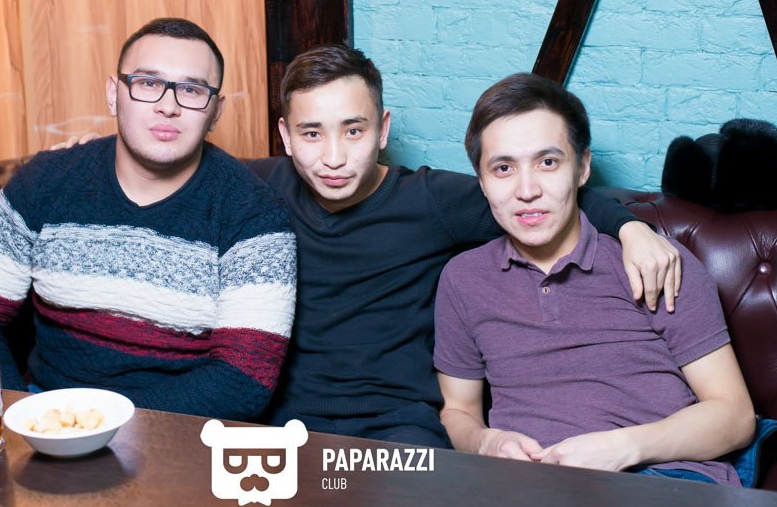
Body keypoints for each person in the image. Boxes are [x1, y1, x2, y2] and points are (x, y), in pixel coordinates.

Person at [248, 44, 682, 447]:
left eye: (353, 131)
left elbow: (543, 198)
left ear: (382, 130)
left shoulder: (431, 200)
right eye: (311, 135)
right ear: (286, 136)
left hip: (399, 424)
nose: (334, 157)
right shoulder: (259, 189)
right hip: (283, 421)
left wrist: (630, 228)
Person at [0, 17, 297, 421]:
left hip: (179, 433)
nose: (168, 105)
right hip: (48, 417)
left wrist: (101, 426)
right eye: (147, 83)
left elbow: (243, 380)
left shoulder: (254, 214)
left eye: (192, 90)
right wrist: (23, 416)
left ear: (215, 111)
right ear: (114, 94)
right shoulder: (45, 182)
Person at [435, 73, 756, 484]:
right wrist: (486, 442)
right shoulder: (463, 279)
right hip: (525, 489)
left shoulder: (652, 263)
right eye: (503, 168)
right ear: (481, 181)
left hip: (659, 479)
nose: (526, 190)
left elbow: (735, 416)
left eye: (547, 162)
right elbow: (458, 410)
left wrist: (623, 447)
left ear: (582, 167)